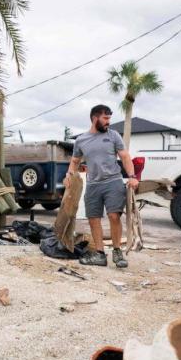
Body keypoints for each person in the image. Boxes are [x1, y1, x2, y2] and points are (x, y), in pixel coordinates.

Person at [64, 104, 138, 267]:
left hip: (113, 181)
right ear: (95, 118)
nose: (108, 122)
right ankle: (99, 254)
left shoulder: (113, 136)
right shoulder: (81, 140)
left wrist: (132, 176)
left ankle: (117, 252)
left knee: (114, 216)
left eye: (109, 118)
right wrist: (69, 174)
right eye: (105, 118)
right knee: (93, 219)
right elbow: (75, 161)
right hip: (93, 184)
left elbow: (125, 156)